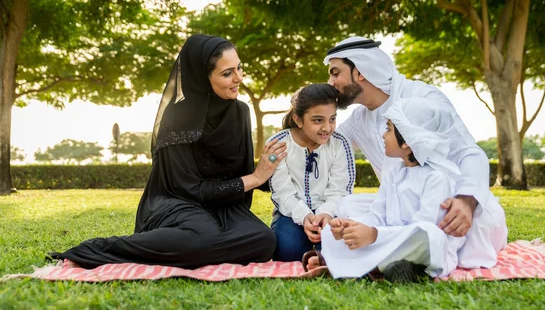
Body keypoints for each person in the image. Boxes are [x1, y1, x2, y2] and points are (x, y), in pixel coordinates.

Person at [49, 35, 286, 269]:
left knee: (264, 241)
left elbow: (244, 174)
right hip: (178, 202)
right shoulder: (178, 116)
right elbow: (192, 189)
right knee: (202, 236)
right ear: (203, 78)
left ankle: (198, 248)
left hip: (224, 204)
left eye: (239, 68)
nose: (239, 78)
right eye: (227, 73)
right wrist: (255, 178)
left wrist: (274, 166)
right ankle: (99, 248)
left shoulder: (240, 112)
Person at [325, 36, 507, 269]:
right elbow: (325, 145)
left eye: (335, 73)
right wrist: (304, 107)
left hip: (447, 207)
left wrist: (467, 201)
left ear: (359, 72)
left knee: (444, 234)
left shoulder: (422, 98)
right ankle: (380, 247)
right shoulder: (358, 119)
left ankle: (381, 249)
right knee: (347, 207)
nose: (330, 82)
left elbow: (469, 152)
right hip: (399, 208)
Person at [319, 99, 468, 282]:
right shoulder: (394, 172)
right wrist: (351, 226)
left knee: (428, 233)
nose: (383, 135)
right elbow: (377, 215)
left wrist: (375, 235)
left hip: (422, 248)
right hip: (386, 239)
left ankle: (369, 265)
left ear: (407, 140)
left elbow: (421, 227)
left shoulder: (436, 177)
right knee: (330, 231)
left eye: (388, 129)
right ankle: (387, 267)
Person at [268, 84, 355, 262]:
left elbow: (340, 190)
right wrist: (305, 216)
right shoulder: (278, 143)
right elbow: (282, 192)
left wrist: (326, 214)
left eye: (332, 119)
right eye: (318, 120)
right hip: (290, 213)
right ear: (299, 120)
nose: (327, 128)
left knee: (337, 248)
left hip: (332, 213)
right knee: (289, 250)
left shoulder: (340, 144)